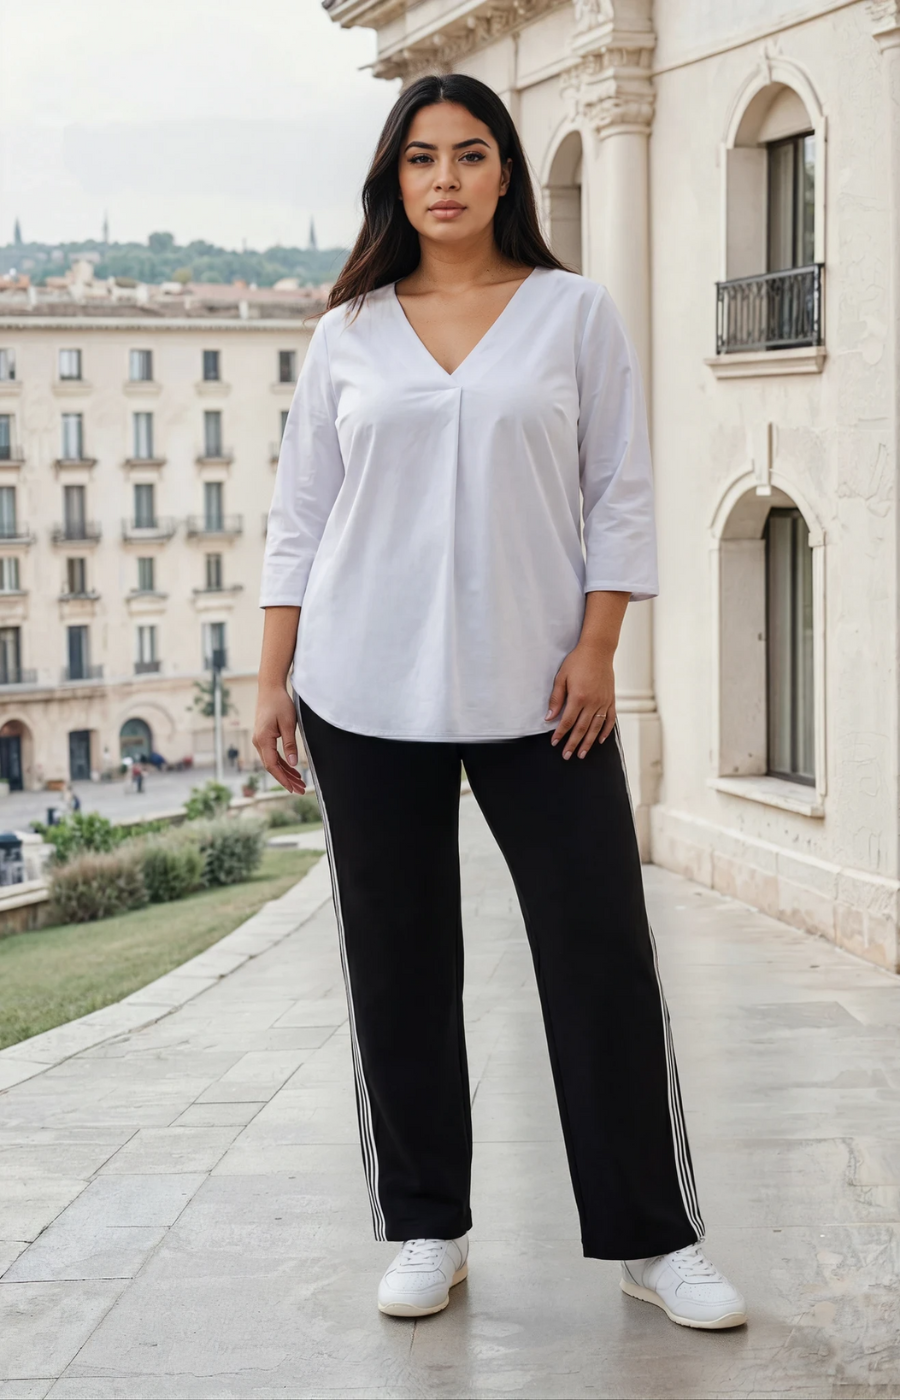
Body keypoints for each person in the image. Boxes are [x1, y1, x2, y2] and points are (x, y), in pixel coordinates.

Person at [254, 73, 746, 1332]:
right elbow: (300, 516)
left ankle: (654, 1238)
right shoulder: (348, 331)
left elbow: (620, 488)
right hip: (363, 688)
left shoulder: (574, 313)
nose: (447, 178)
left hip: (546, 693)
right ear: (395, 179)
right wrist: (271, 677)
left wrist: (599, 647)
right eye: (422, 157)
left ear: (505, 173)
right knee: (398, 963)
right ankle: (429, 1224)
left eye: (470, 154)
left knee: (601, 958)